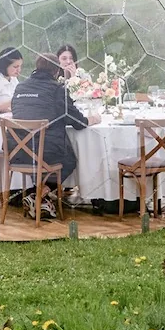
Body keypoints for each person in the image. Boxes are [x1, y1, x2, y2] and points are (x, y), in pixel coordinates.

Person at [10, 53, 100, 220]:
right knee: (69, 158)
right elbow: (77, 122)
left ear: (37, 67)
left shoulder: (20, 88)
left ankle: (39, 197)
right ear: (56, 70)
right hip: (46, 151)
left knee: (47, 154)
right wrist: (94, 118)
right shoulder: (57, 89)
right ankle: (40, 196)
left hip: (17, 152)